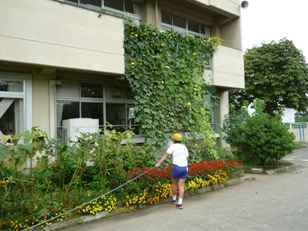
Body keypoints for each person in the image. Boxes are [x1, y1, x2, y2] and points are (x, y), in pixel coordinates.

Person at [155, 132, 189, 209]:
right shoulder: (184, 147)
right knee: (181, 186)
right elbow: (187, 158)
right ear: (181, 140)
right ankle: (180, 203)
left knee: (174, 183)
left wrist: (158, 163)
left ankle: (174, 199)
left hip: (176, 167)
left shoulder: (172, 146)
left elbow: (165, 156)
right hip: (184, 168)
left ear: (173, 140)